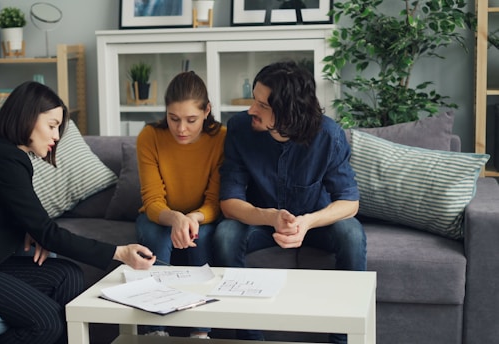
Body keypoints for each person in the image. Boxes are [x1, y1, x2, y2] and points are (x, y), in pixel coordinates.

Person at [0, 81, 155, 344]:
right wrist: (118, 252)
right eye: (52, 126)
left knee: (67, 276)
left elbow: (16, 216)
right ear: (28, 117)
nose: (56, 136)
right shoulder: (4, 158)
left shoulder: (9, 154)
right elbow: (46, 230)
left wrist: (29, 230)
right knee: (46, 323)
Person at [213, 61, 367, 344]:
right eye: (253, 101)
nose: (251, 110)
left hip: (315, 223)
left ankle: (343, 339)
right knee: (225, 234)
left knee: (352, 234)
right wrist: (270, 217)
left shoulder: (328, 135)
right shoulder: (239, 129)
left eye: (261, 105)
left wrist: (307, 222)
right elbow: (230, 202)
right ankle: (251, 338)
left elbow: (349, 201)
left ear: (287, 112)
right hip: (263, 223)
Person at [135, 71, 226, 339]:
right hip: (159, 217)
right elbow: (152, 200)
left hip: (202, 217)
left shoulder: (221, 137)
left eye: (191, 120)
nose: (181, 128)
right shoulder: (149, 136)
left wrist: (192, 219)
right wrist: (175, 218)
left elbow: (215, 201)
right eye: (173, 119)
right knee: (155, 236)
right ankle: (156, 330)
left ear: (207, 110)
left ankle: (200, 332)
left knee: (202, 237)